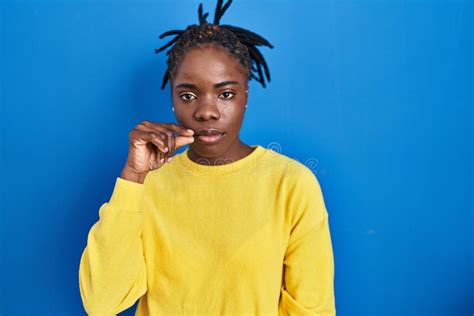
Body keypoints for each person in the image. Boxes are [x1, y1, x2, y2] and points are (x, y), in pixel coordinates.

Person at [78, 0, 336, 315]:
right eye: (188, 95)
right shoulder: (147, 183)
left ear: (245, 97)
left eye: (226, 94)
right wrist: (132, 177)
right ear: (172, 99)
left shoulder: (291, 184)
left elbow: (313, 309)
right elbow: (101, 303)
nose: (206, 112)